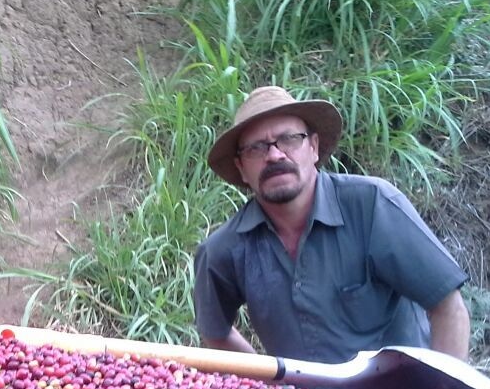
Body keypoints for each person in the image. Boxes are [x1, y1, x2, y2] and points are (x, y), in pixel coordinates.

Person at [193, 85, 471, 364]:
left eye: (289, 139)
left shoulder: (373, 206)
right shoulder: (223, 250)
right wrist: (270, 387)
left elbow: (448, 307)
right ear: (241, 168)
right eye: (257, 148)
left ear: (313, 147)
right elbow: (215, 332)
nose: (275, 155)